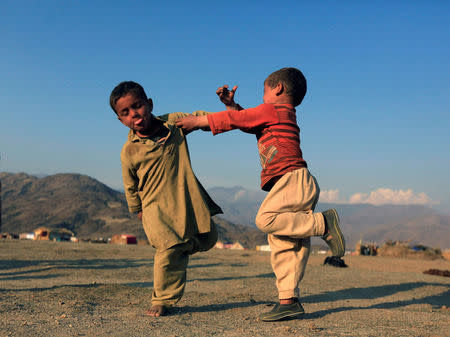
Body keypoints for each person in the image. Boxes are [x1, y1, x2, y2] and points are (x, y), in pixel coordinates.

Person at [176, 67, 345, 322]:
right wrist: (232, 105)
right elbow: (246, 120)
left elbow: (237, 121)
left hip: (293, 180)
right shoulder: (276, 115)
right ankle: (289, 301)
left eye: (264, 92)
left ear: (277, 89)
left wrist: (197, 122)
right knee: (286, 245)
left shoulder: (273, 109)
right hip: (291, 182)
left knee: (265, 219)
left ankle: (323, 223)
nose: (262, 98)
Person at [110, 81, 222, 317]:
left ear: (149, 104)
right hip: (154, 209)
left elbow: (201, 117)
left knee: (209, 238)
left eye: (137, 106)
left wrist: (229, 114)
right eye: (125, 113)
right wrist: (137, 209)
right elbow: (129, 184)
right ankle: (162, 299)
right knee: (167, 250)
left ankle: (183, 246)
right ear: (121, 121)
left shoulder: (173, 124)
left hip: (185, 198)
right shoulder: (129, 150)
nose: (134, 114)